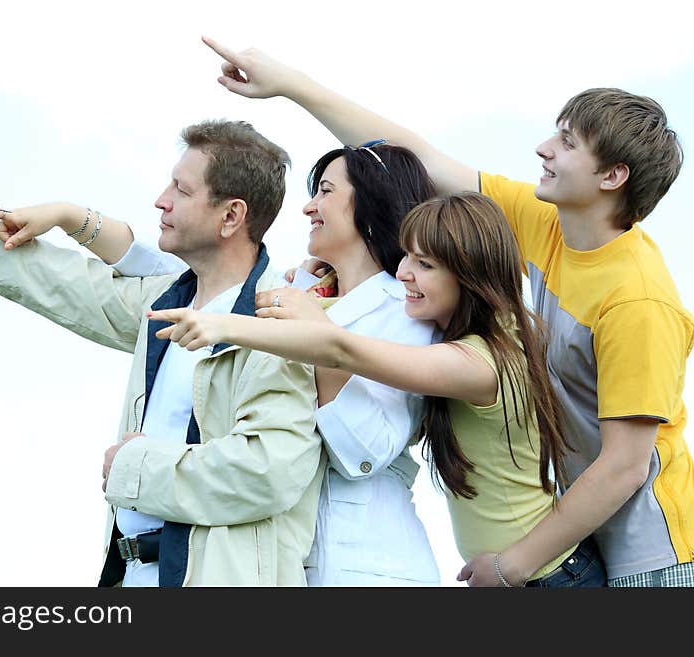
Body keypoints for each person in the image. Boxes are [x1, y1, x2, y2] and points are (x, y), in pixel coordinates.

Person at [199, 36, 694, 586]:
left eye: (568, 141)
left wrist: (513, 566)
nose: (544, 148)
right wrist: (289, 84)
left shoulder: (638, 301)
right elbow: (417, 157)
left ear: (612, 177)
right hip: (578, 535)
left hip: (652, 553)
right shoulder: (551, 223)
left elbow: (625, 467)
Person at [0, 119, 326, 587]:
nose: (161, 201)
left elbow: (269, 471)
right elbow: (52, 277)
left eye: (181, 190)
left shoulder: (275, 322)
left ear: (231, 215)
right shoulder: (164, 301)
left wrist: (133, 467)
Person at [151, 191, 606, 587]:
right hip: (523, 575)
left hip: (548, 578)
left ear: (470, 276)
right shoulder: (488, 332)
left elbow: (342, 350)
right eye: (406, 256)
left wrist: (219, 324)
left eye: (425, 265)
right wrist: (317, 280)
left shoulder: (481, 362)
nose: (404, 273)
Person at [110, 141, 444, 585]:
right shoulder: (304, 294)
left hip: (369, 562)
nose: (309, 206)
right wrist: (88, 228)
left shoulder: (402, 309)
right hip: (297, 565)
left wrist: (320, 342)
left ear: (370, 202)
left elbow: (364, 452)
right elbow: (213, 281)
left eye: (325, 191)